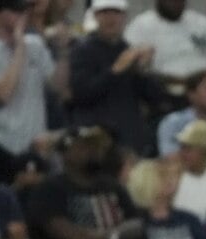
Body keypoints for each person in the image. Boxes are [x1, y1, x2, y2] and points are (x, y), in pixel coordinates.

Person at [24, 126, 142, 239]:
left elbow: (137, 225)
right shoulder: (49, 189)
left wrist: (111, 238)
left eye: (97, 146)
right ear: (66, 153)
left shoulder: (112, 186)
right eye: (86, 145)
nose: (95, 151)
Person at [68, 0, 167, 157]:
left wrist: (143, 70)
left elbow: (156, 98)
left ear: (124, 17)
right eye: (105, 13)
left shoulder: (129, 50)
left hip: (129, 141)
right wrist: (115, 71)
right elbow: (82, 94)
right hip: (96, 142)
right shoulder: (82, 50)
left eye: (116, 13)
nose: (111, 18)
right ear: (95, 16)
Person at [0, 0, 65, 185]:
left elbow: (60, 89)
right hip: (1, 148)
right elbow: (3, 93)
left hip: (37, 146)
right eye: (14, 10)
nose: (23, 14)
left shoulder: (35, 45)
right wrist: (20, 46)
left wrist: (63, 51)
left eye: (24, 9)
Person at [124, 0, 206, 98]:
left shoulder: (202, 24)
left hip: (200, 94)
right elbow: (126, 64)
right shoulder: (140, 26)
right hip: (161, 95)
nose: (175, 3)